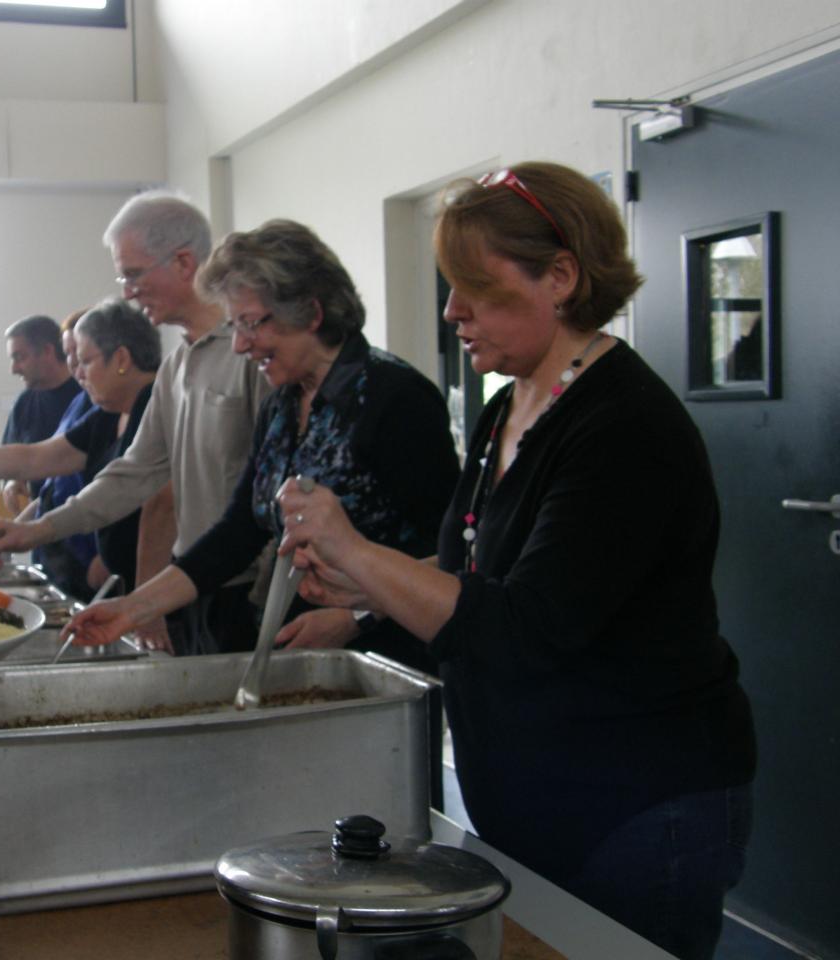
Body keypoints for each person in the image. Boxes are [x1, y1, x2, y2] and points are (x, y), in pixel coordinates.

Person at [273, 162, 756, 960]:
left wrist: (356, 547)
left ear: (561, 277)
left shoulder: (626, 429)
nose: (451, 310)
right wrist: (360, 597)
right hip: (543, 791)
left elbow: (527, 623)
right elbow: (475, 562)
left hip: (639, 801)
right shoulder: (512, 402)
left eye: (471, 287)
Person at [61, 221, 459, 676]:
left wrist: (355, 617)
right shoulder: (283, 406)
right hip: (301, 652)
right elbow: (236, 535)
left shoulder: (397, 399)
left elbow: (447, 557)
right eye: (233, 326)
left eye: (250, 324)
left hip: (388, 658)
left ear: (310, 314)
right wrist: (132, 608)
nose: (239, 345)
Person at [0, 191, 270, 655]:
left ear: (183, 262)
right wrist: (37, 530)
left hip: (248, 597)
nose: (127, 291)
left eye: (134, 274)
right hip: (192, 589)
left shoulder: (252, 357)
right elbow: (132, 474)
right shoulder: (177, 366)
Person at [0, 300, 160, 588]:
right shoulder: (107, 414)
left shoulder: (158, 404)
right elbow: (35, 459)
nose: (79, 373)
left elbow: (159, 506)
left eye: (85, 361)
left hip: (147, 585)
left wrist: (147, 601)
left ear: (122, 360)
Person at [25, 307, 102, 600]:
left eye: (80, 354)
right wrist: (21, 527)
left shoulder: (116, 408)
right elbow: (51, 482)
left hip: (92, 553)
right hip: (59, 547)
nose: (73, 364)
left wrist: (108, 558)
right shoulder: (79, 404)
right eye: (68, 353)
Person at [0, 314, 82, 516]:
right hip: (42, 526)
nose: (14, 369)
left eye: (20, 357)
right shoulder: (23, 403)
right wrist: (12, 481)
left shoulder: (88, 396)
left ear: (47, 351)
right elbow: (11, 460)